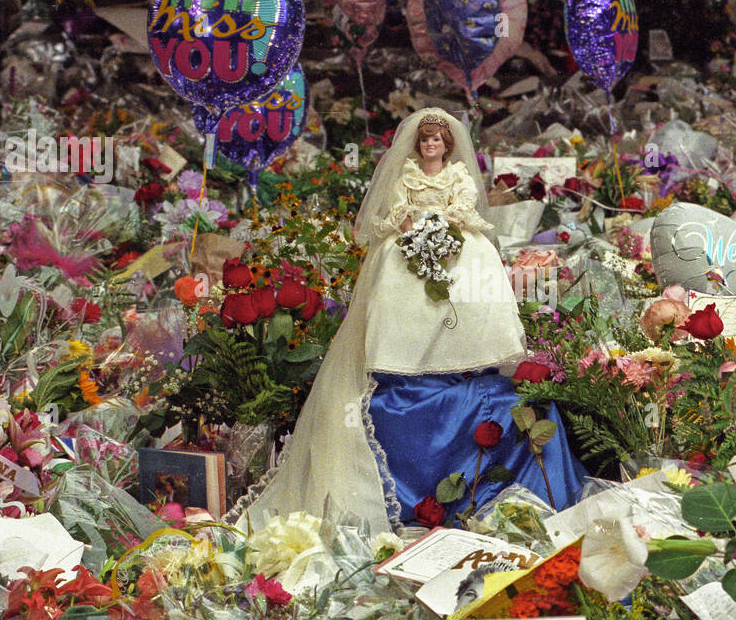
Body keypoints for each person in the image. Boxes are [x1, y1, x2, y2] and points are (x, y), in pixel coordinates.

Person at [247, 108, 584, 532]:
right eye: (425, 140)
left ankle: (467, 355)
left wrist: (451, 226)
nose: (430, 146)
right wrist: (408, 227)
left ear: (448, 145)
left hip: (452, 241)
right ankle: (403, 358)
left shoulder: (457, 175)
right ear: (417, 144)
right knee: (400, 282)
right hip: (411, 243)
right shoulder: (407, 173)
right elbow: (392, 210)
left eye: (437, 141)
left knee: (469, 273)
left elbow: (465, 206)